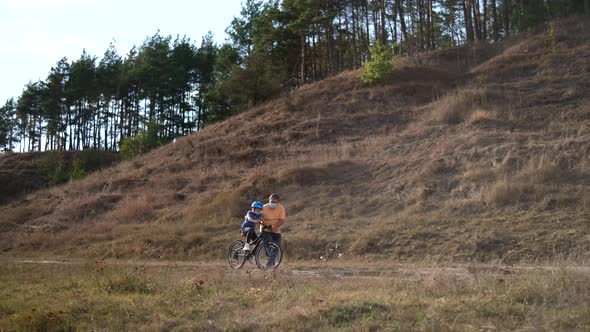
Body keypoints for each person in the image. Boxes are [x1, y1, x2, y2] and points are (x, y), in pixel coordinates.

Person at [260, 193, 286, 267]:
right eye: (271, 201)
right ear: (269, 200)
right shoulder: (264, 207)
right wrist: (264, 224)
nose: (273, 203)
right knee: (268, 246)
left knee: (277, 247)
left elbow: (282, 220)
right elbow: (260, 217)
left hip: (276, 230)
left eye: (275, 202)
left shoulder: (281, 208)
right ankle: (270, 264)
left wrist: (273, 226)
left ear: (278, 202)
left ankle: (270, 263)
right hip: (265, 229)